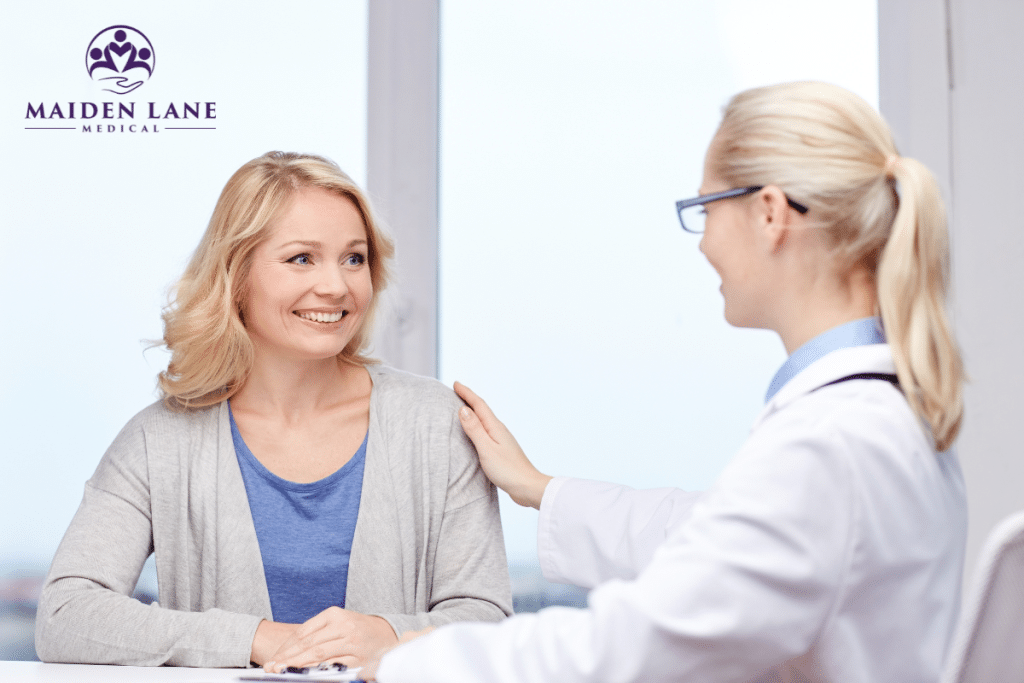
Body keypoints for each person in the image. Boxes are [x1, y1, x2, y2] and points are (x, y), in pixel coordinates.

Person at [362, 82, 968, 682]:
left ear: (769, 212)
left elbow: (635, 647)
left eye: (706, 209)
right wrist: (538, 487)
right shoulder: (876, 418)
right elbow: (707, 536)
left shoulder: (827, 443)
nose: (703, 243)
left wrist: (412, 661)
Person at [34, 151, 512, 669]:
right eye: (302, 259)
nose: (336, 286)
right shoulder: (160, 441)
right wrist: (254, 639)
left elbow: (486, 618)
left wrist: (390, 636)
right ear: (235, 275)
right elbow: (64, 616)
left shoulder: (436, 424)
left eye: (354, 259)